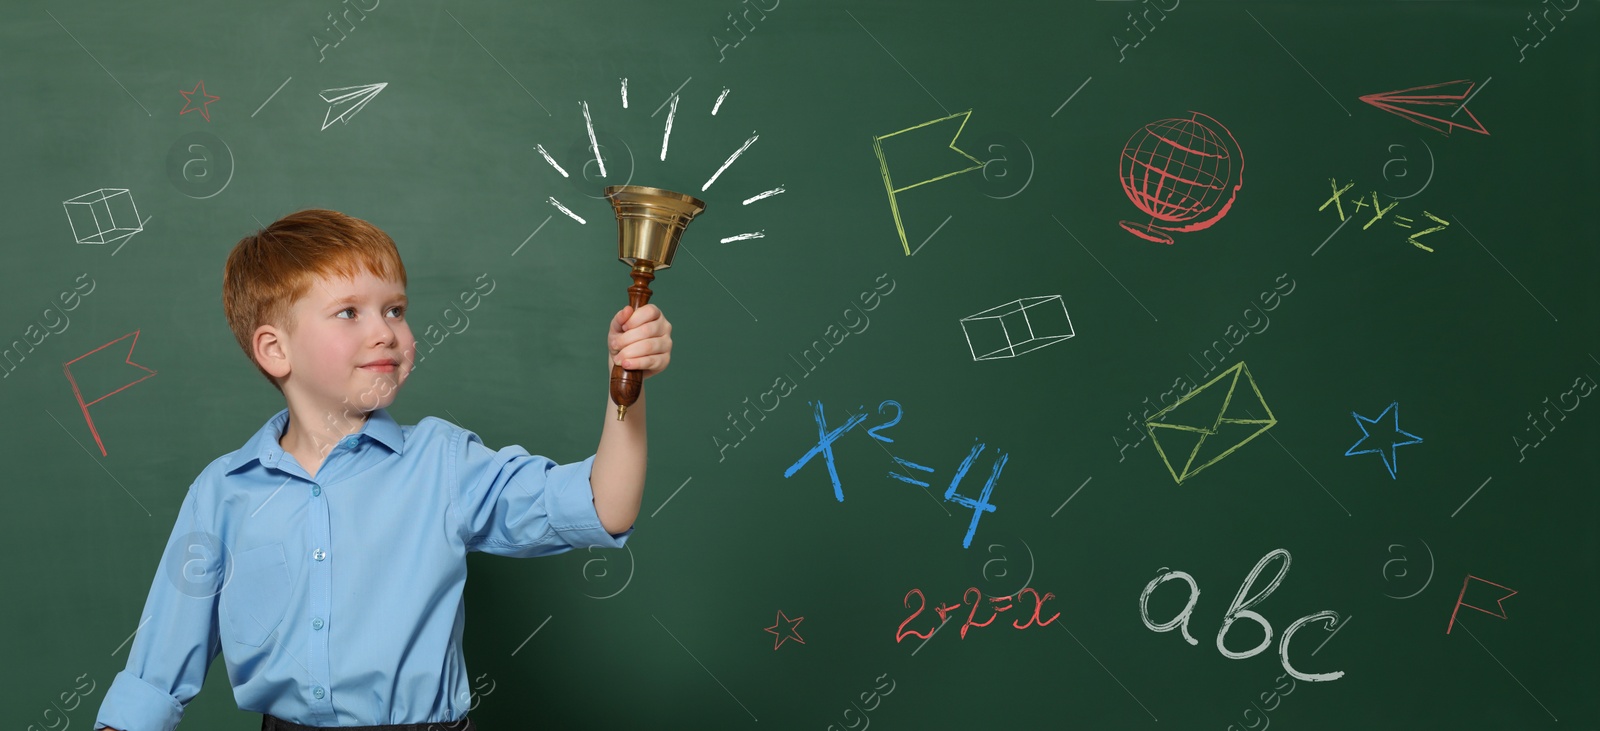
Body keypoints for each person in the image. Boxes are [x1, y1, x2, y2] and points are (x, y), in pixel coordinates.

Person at [94, 209, 670, 731]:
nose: (385, 331)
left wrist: (629, 382)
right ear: (275, 350)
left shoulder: (445, 463)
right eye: (349, 312)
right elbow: (157, 672)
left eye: (395, 309)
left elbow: (603, 505)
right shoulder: (223, 492)